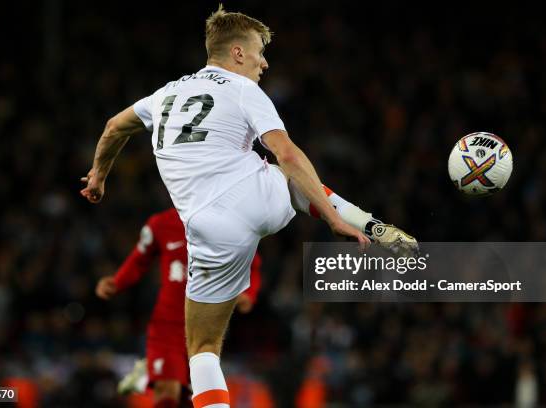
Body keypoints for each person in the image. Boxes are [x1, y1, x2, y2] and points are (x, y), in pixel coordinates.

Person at [81, 5, 417, 407]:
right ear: (238, 53)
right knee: (285, 174)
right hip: (255, 199)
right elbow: (289, 155)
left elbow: (114, 127)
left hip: (207, 229)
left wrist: (99, 175)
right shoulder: (242, 89)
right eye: (259, 51)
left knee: (202, 348)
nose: (264, 62)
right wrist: (332, 220)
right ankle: (366, 222)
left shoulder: (163, 95)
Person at [95, 207, 262, 407]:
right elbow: (140, 258)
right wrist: (118, 281)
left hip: (205, 327)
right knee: (168, 390)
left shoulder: (227, 222)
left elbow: (251, 261)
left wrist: (249, 295)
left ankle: (162, 378)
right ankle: (160, 374)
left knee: (189, 398)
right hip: (167, 325)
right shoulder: (161, 223)